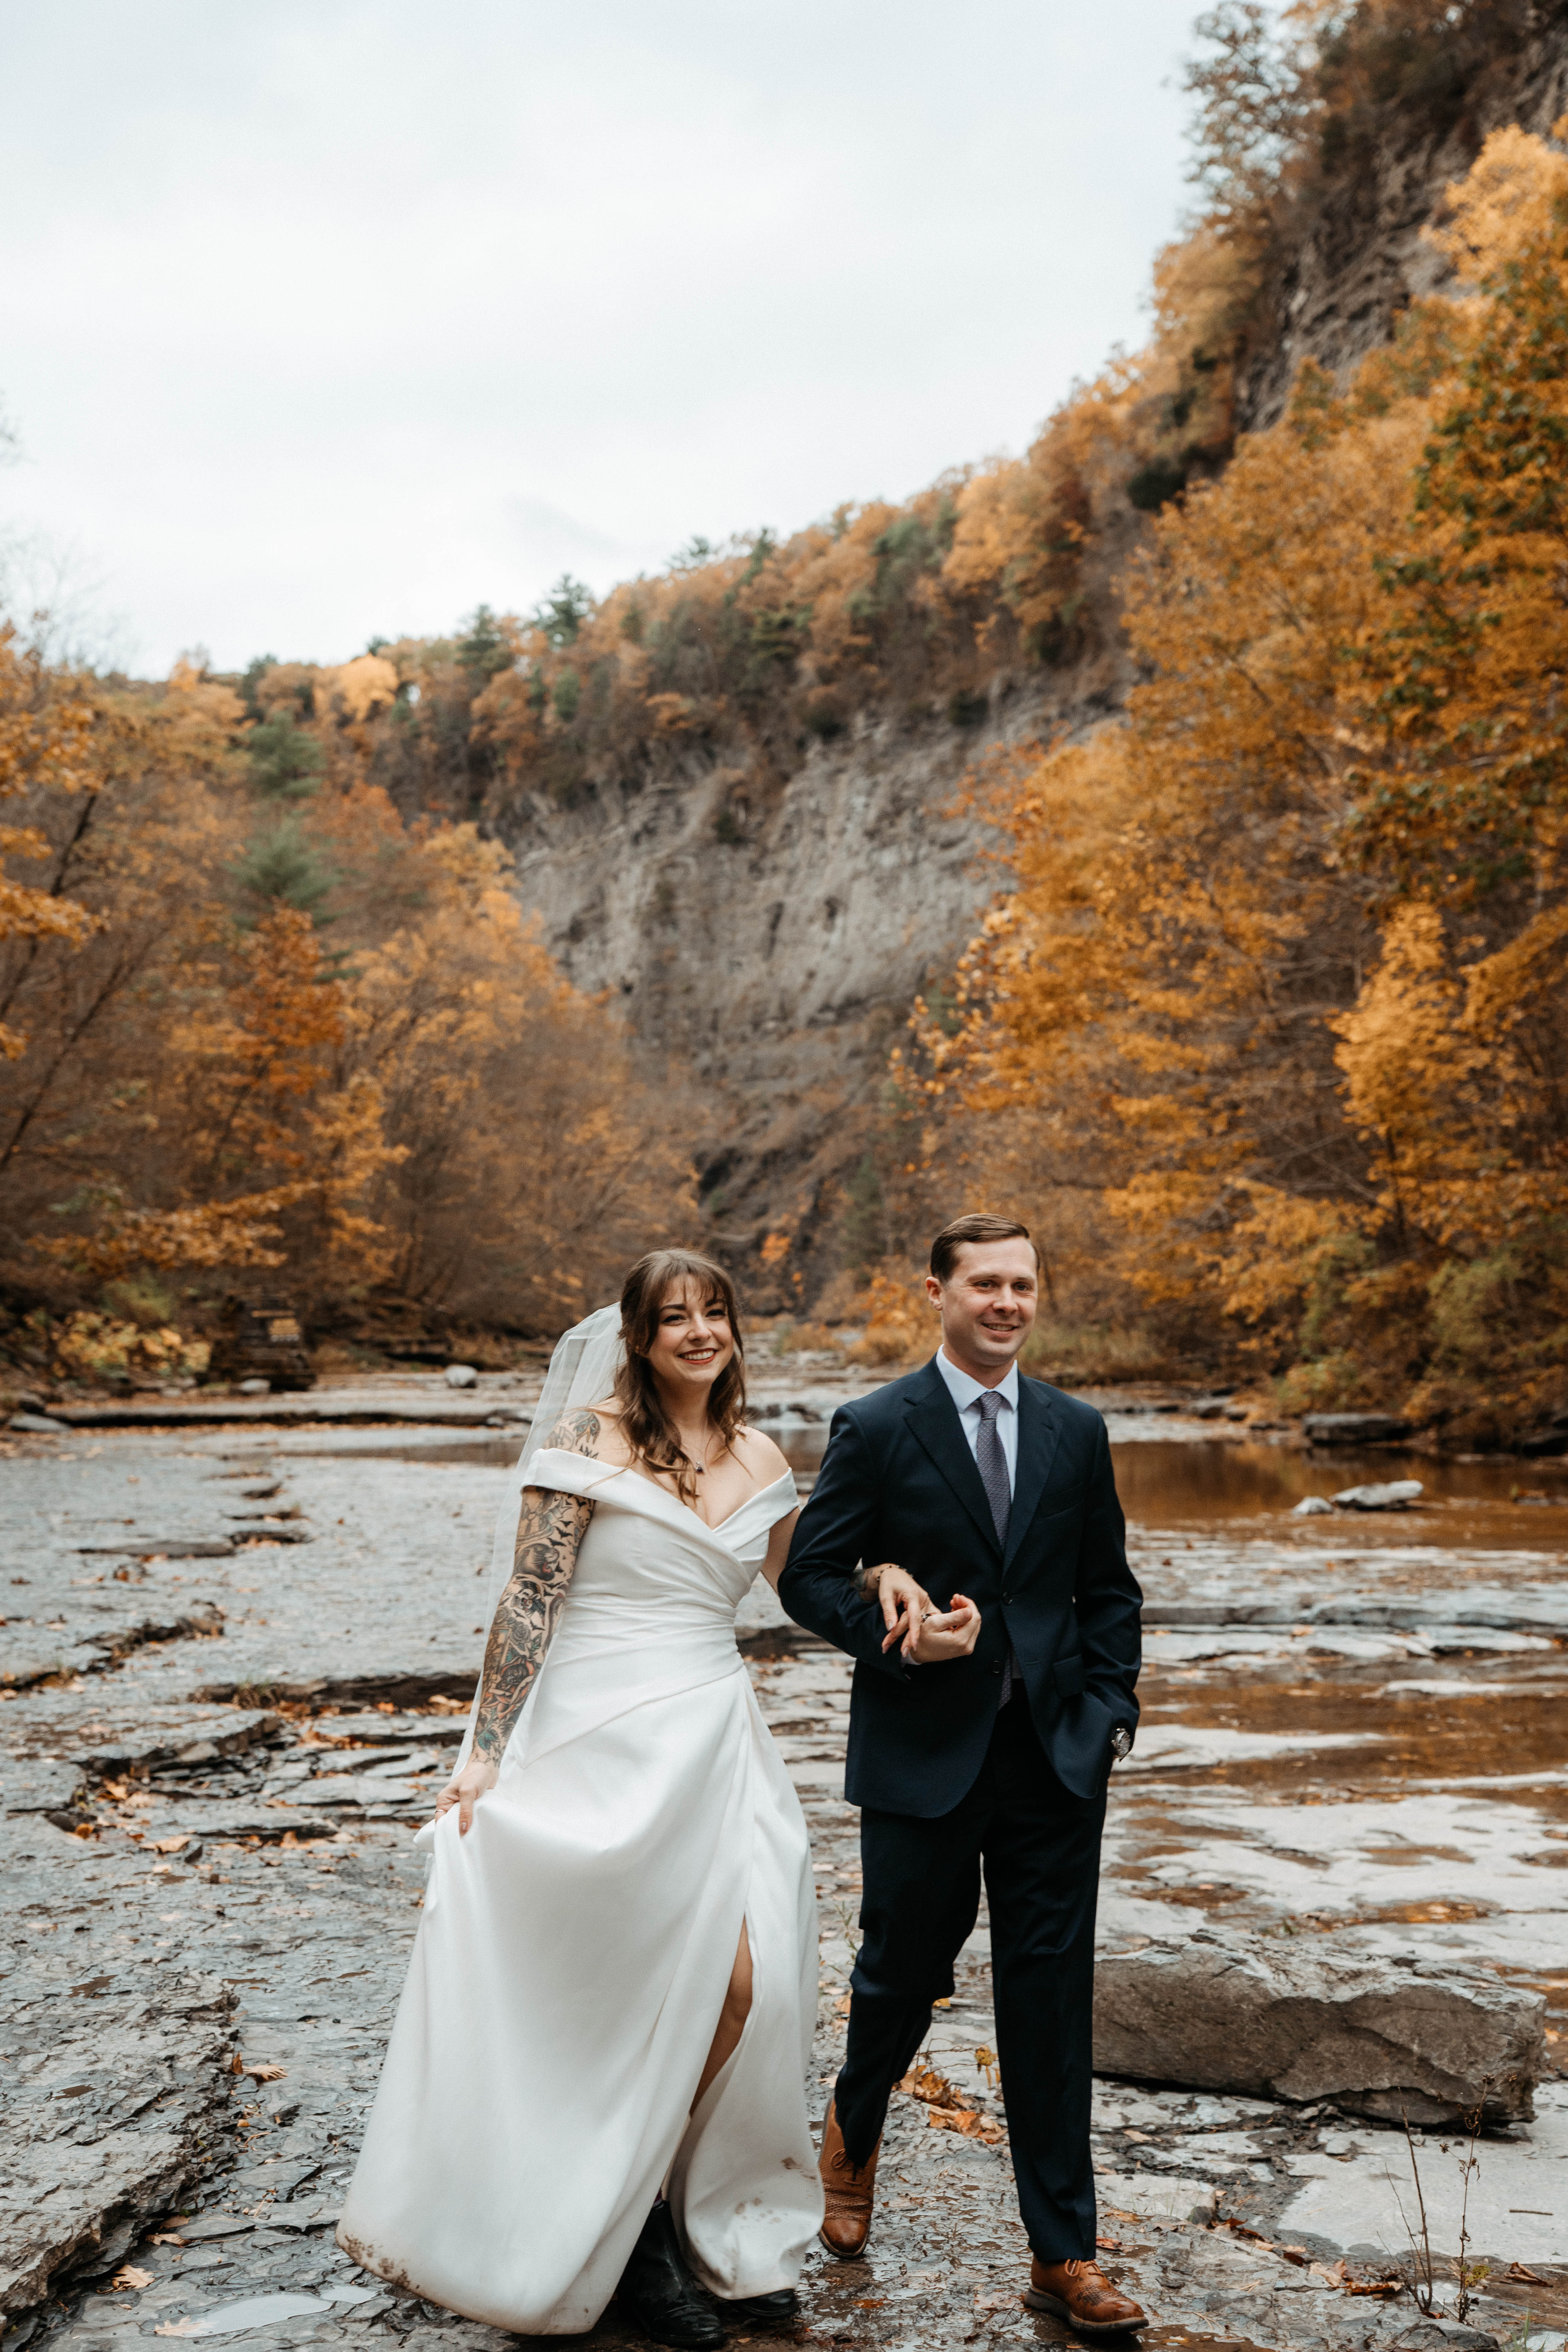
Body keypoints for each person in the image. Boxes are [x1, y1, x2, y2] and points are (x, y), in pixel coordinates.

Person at [338, 1252, 823, 2347]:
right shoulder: (586, 1445)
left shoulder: (759, 1454)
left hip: (713, 1732)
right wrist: (485, 1751)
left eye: (714, 1313)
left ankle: (699, 2217)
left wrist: (893, 1592)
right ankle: (637, 2239)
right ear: (639, 1338)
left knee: (749, 1983)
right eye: (673, 1318)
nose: (699, 1332)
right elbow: (530, 1601)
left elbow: (805, 1589)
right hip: (593, 1734)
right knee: (619, 1985)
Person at [777, 1212, 1150, 2340]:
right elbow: (809, 1579)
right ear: (933, 1291)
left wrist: (1111, 1708)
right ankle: (855, 2123)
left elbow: (1109, 1588)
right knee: (900, 1975)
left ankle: (1064, 2254)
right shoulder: (877, 1425)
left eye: (1022, 1285)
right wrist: (889, 1627)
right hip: (919, 1758)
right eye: (983, 1283)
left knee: (1049, 2005)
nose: (1005, 1302)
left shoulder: (1077, 1431)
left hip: (1053, 1760)